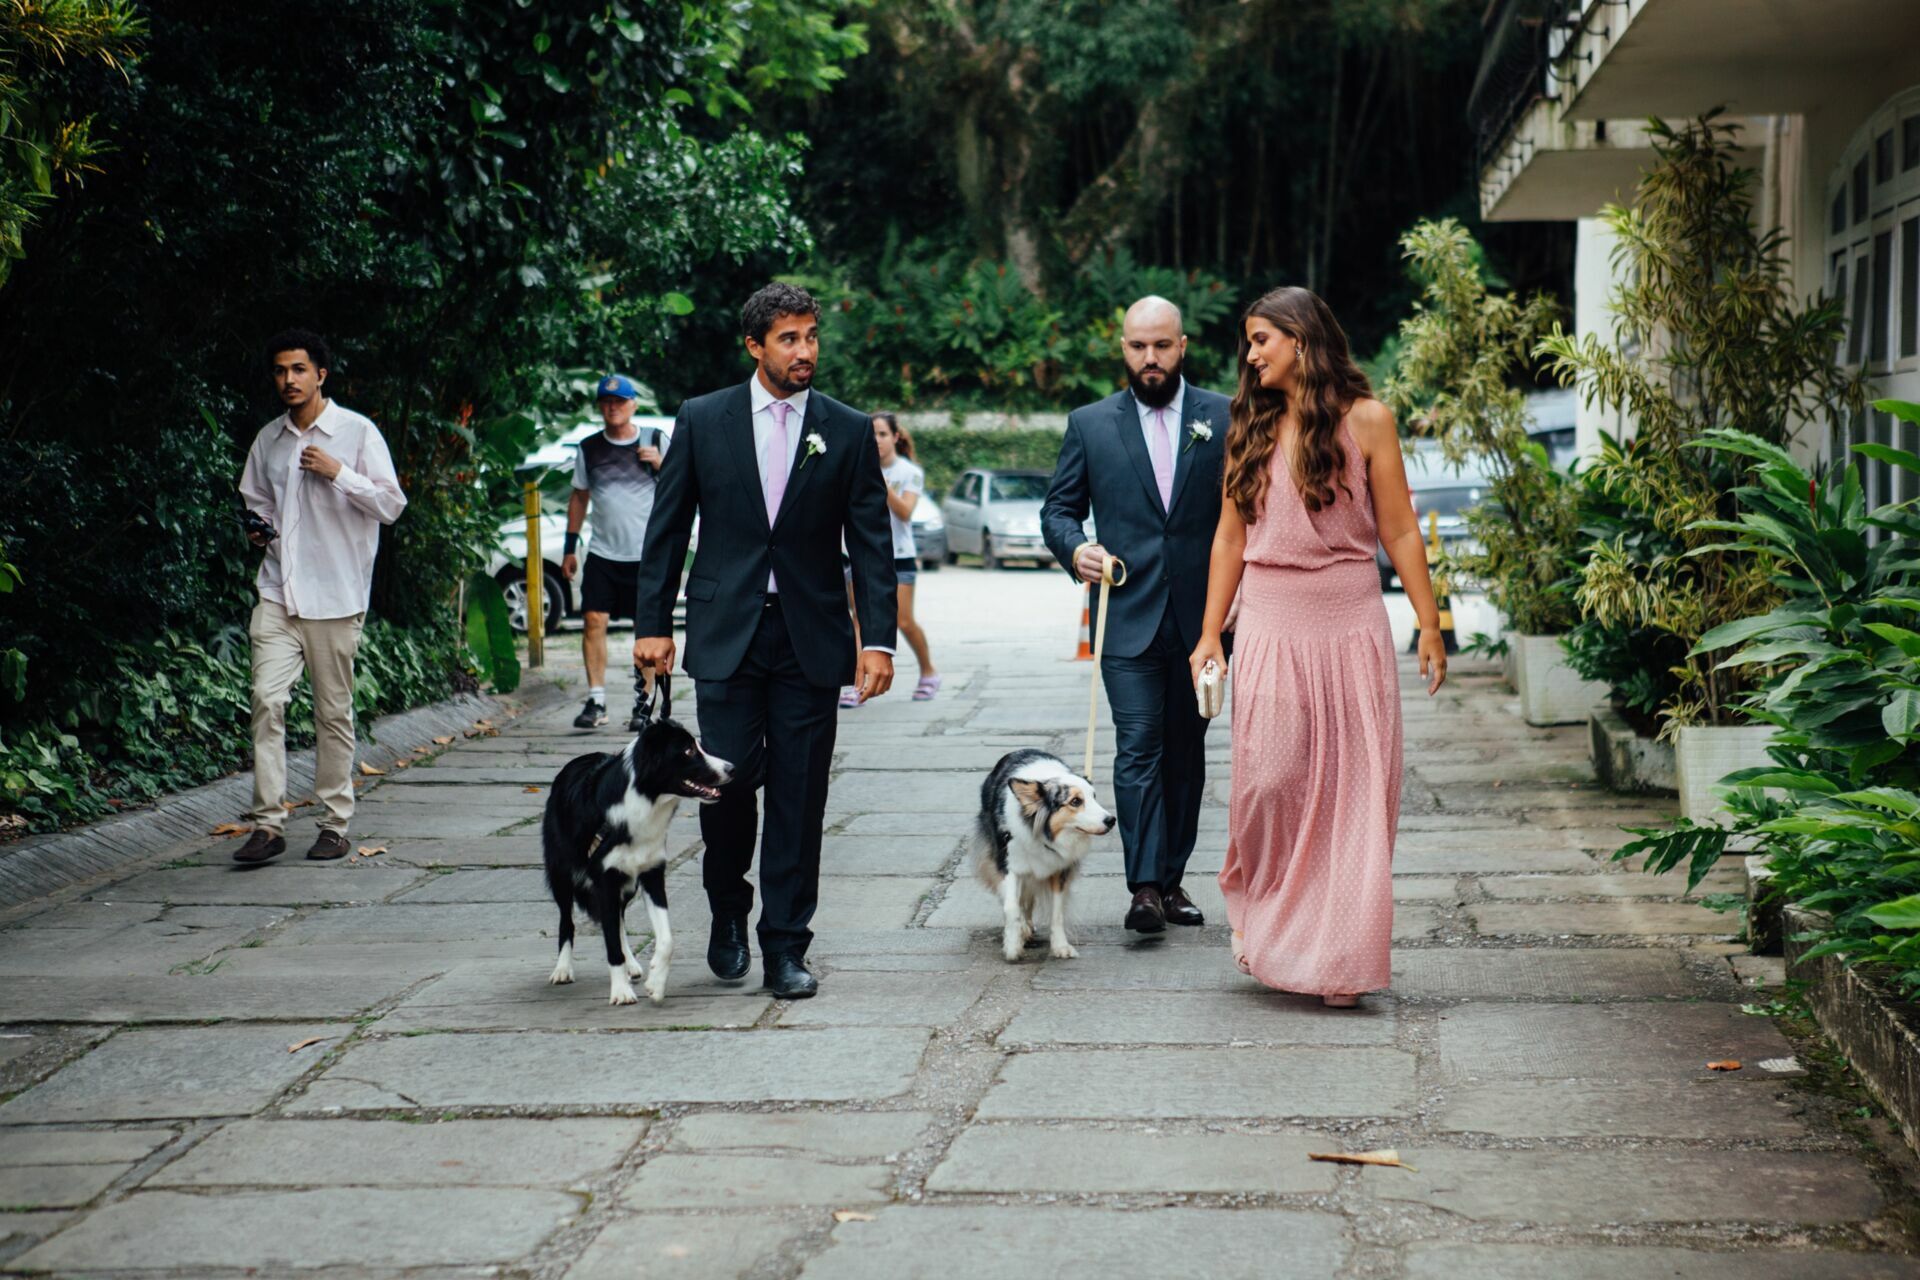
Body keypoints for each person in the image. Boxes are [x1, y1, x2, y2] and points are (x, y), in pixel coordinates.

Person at [631, 283, 897, 1000]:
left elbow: (872, 542)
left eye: (811, 336)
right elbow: (667, 527)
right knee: (725, 784)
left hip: (812, 636)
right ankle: (728, 909)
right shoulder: (702, 418)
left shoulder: (846, 429)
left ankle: (785, 944)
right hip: (726, 634)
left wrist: (879, 640)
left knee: (800, 796)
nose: (805, 350)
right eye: (789, 339)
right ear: (755, 346)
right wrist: (652, 624)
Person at [1187, 285, 1447, 1008]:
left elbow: (1399, 529)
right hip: (1270, 621)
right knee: (1268, 782)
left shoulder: (1369, 420)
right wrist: (1210, 633)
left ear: (1300, 340)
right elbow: (1229, 538)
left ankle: (1339, 963)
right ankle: (1270, 921)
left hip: (1351, 622)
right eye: (1248, 342)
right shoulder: (1250, 424)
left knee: (1355, 798)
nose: (1250, 355)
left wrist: (1429, 623)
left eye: (1261, 339)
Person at [1041, 296, 1230, 934]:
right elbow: (1058, 510)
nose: (1150, 358)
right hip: (1125, 617)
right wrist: (1077, 549)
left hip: (1205, 622)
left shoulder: (1226, 416)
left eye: (1162, 346)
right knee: (1139, 746)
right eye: (1138, 346)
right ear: (1123, 348)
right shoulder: (1090, 424)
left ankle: (1172, 880)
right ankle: (1145, 887)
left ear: (1183, 346)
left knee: (1186, 753)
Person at [233, 330, 407, 864]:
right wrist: (257, 528)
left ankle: (334, 824)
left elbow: (391, 505)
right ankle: (268, 825)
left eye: (299, 369)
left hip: (335, 596)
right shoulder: (269, 439)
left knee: (333, 714)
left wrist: (340, 474)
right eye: (280, 370)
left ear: (320, 375)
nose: (288, 379)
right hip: (278, 592)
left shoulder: (357, 433)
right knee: (266, 700)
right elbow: (255, 501)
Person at [561, 373, 668, 731]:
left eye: (620, 401)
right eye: (606, 402)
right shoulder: (589, 448)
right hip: (603, 553)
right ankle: (596, 701)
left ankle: (644, 704)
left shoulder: (655, 440)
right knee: (593, 621)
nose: (613, 408)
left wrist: (661, 464)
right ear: (600, 407)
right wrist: (569, 547)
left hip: (647, 556)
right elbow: (579, 497)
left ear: (633, 405)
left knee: (646, 632)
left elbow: (684, 485)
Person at [841, 412, 938, 708]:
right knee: (859, 619)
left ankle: (928, 672)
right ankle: (857, 684)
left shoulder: (909, 472)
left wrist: (880, 483)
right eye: (871, 435)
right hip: (861, 556)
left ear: (895, 437)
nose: (876, 441)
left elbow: (905, 512)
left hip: (899, 557)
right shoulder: (856, 466)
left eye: (882, 434)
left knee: (903, 621)